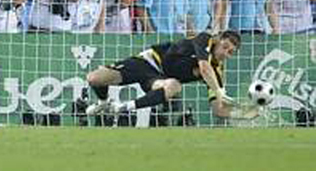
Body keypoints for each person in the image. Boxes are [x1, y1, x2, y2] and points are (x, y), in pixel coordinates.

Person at [85, 31, 260, 120]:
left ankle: (122, 108)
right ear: (217, 40)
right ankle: (103, 102)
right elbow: (204, 68)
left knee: (174, 86)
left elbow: (218, 109)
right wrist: (219, 90)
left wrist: (242, 113)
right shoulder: (205, 39)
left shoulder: (216, 73)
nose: (225, 53)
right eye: (225, 47)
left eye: (230, 52)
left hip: (158, 79)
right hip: (148, 62)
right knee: (94, 79)